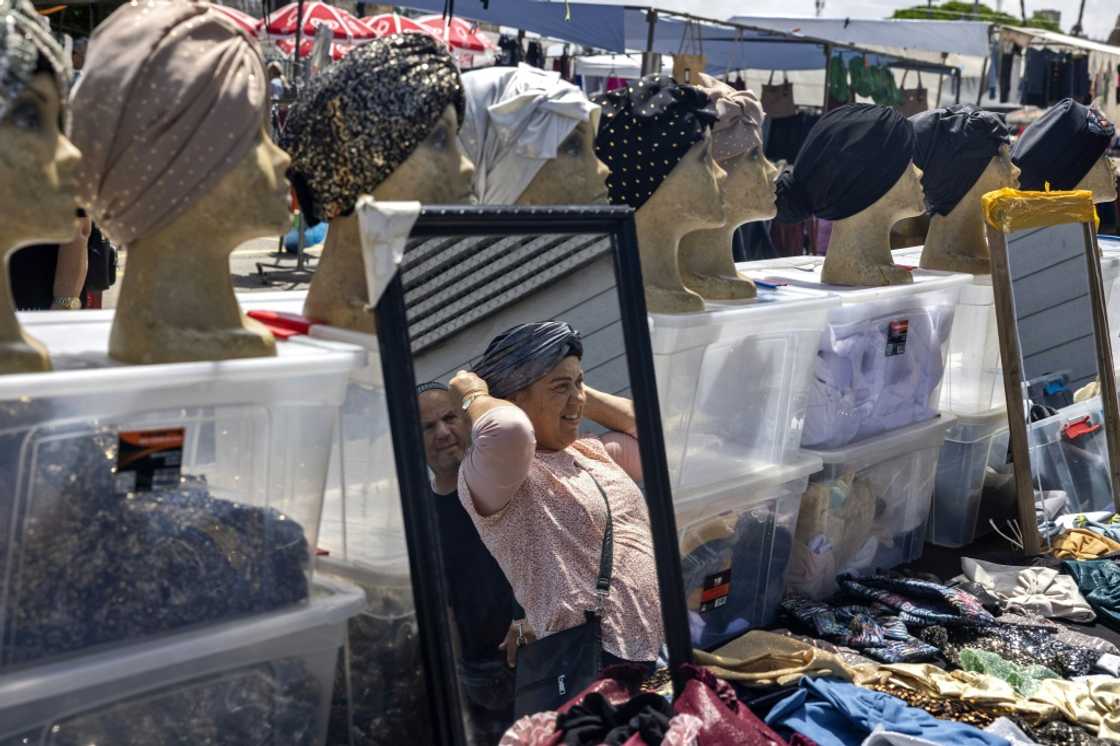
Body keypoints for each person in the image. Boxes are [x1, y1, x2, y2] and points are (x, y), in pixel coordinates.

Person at [450, 321, 662, 673]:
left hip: (654, 656)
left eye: (580, 383)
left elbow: (656, 434)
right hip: (595, 669)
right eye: (560, 387)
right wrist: (472, 393)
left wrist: (572, 385)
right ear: (513, 399)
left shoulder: (589, 452)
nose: (577, 397)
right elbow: (508, 430)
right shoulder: (502, 474)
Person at [417, 381, 532, 744]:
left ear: (467, 422)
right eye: (427, 427)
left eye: (449, 418)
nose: (442, 433)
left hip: (539, 650)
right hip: (480, 679)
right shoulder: (419, 519)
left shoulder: (504, 479)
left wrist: (528, 612)